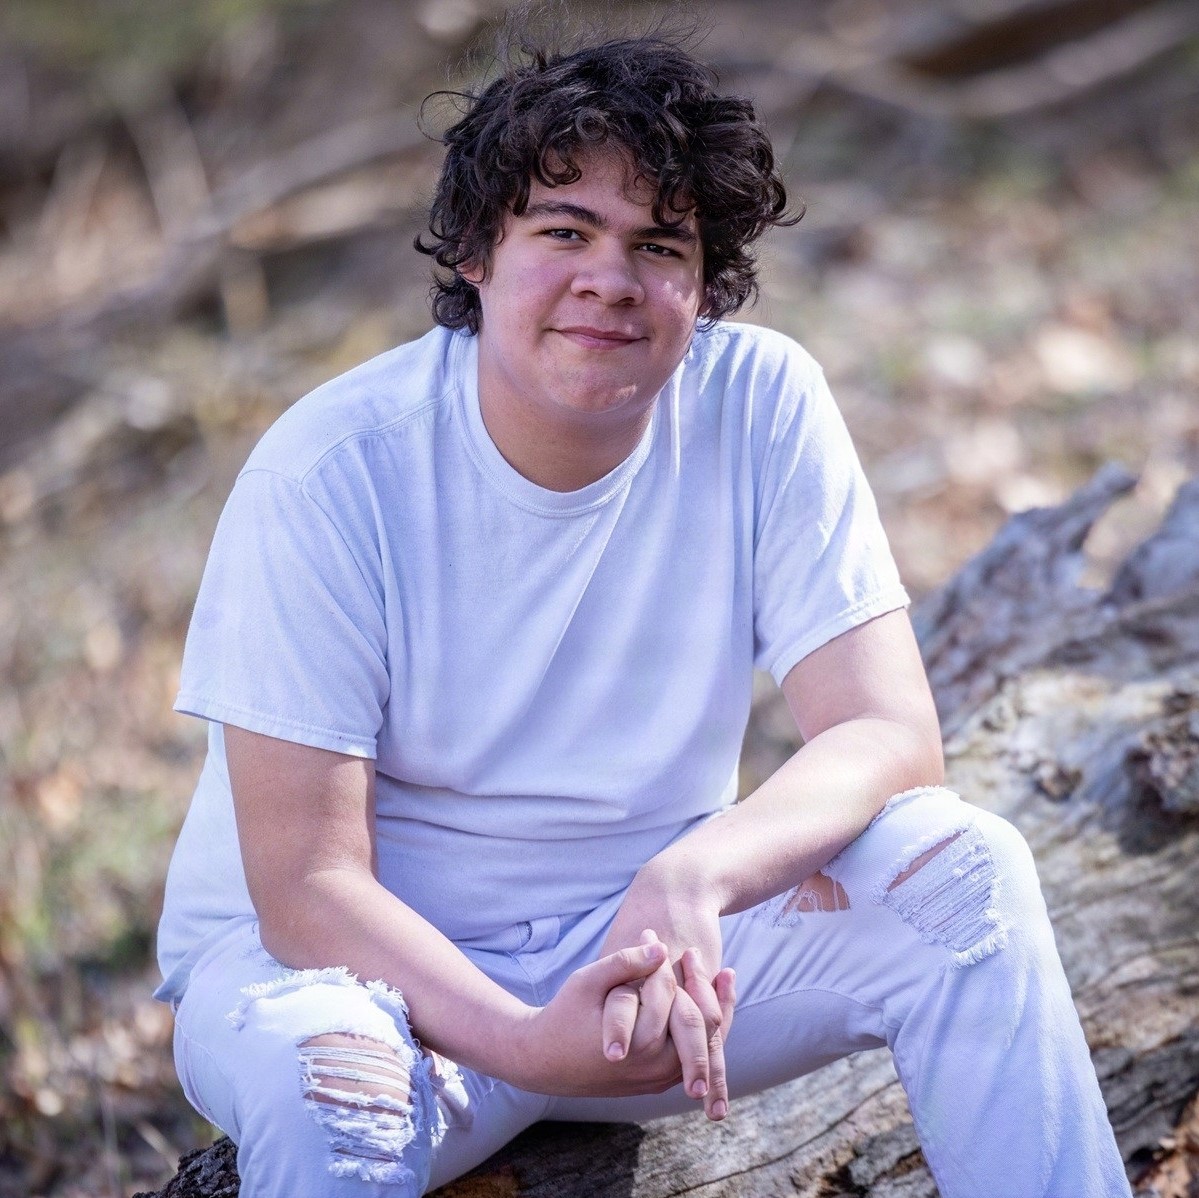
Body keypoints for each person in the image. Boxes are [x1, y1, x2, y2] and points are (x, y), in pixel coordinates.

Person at [154, 32, 1132, 1198]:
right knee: (339, 1097)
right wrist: (524, 1040)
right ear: (476, 250)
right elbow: (307, 886)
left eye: (658, 244)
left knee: (962, 875)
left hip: (646, 956)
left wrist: (694, 874)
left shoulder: (757, 402)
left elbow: (885, 733)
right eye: (563, 232)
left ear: (703, 282)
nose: (608, 279)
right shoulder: (332, 470)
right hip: (358, 984)